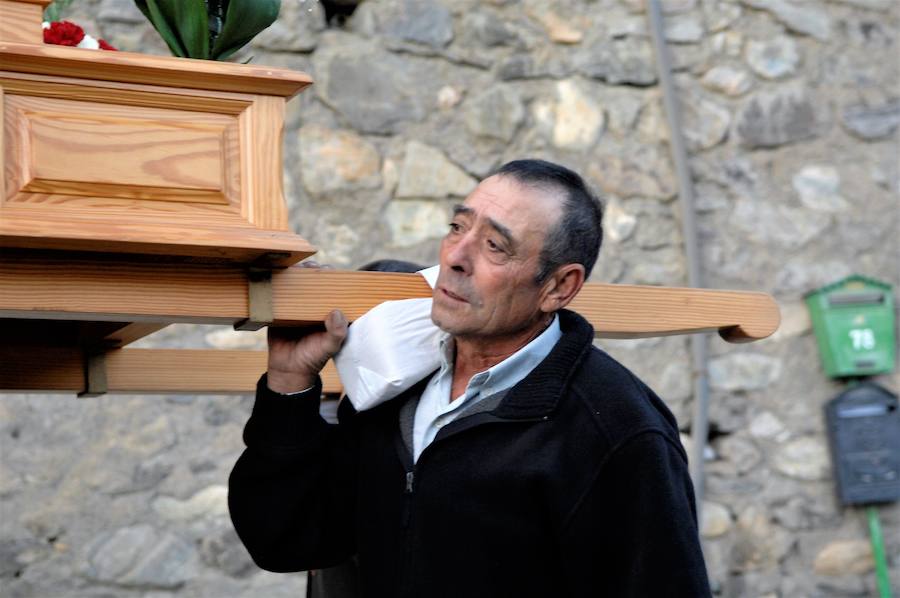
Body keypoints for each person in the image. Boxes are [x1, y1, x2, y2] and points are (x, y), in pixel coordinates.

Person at [229, 159, 711, 597]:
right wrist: (289, 382)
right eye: (457, 227)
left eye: (494, 246)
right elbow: (286, 540)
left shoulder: (617, 430)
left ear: (559, 287)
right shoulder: (397, 382)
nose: (456, 257)